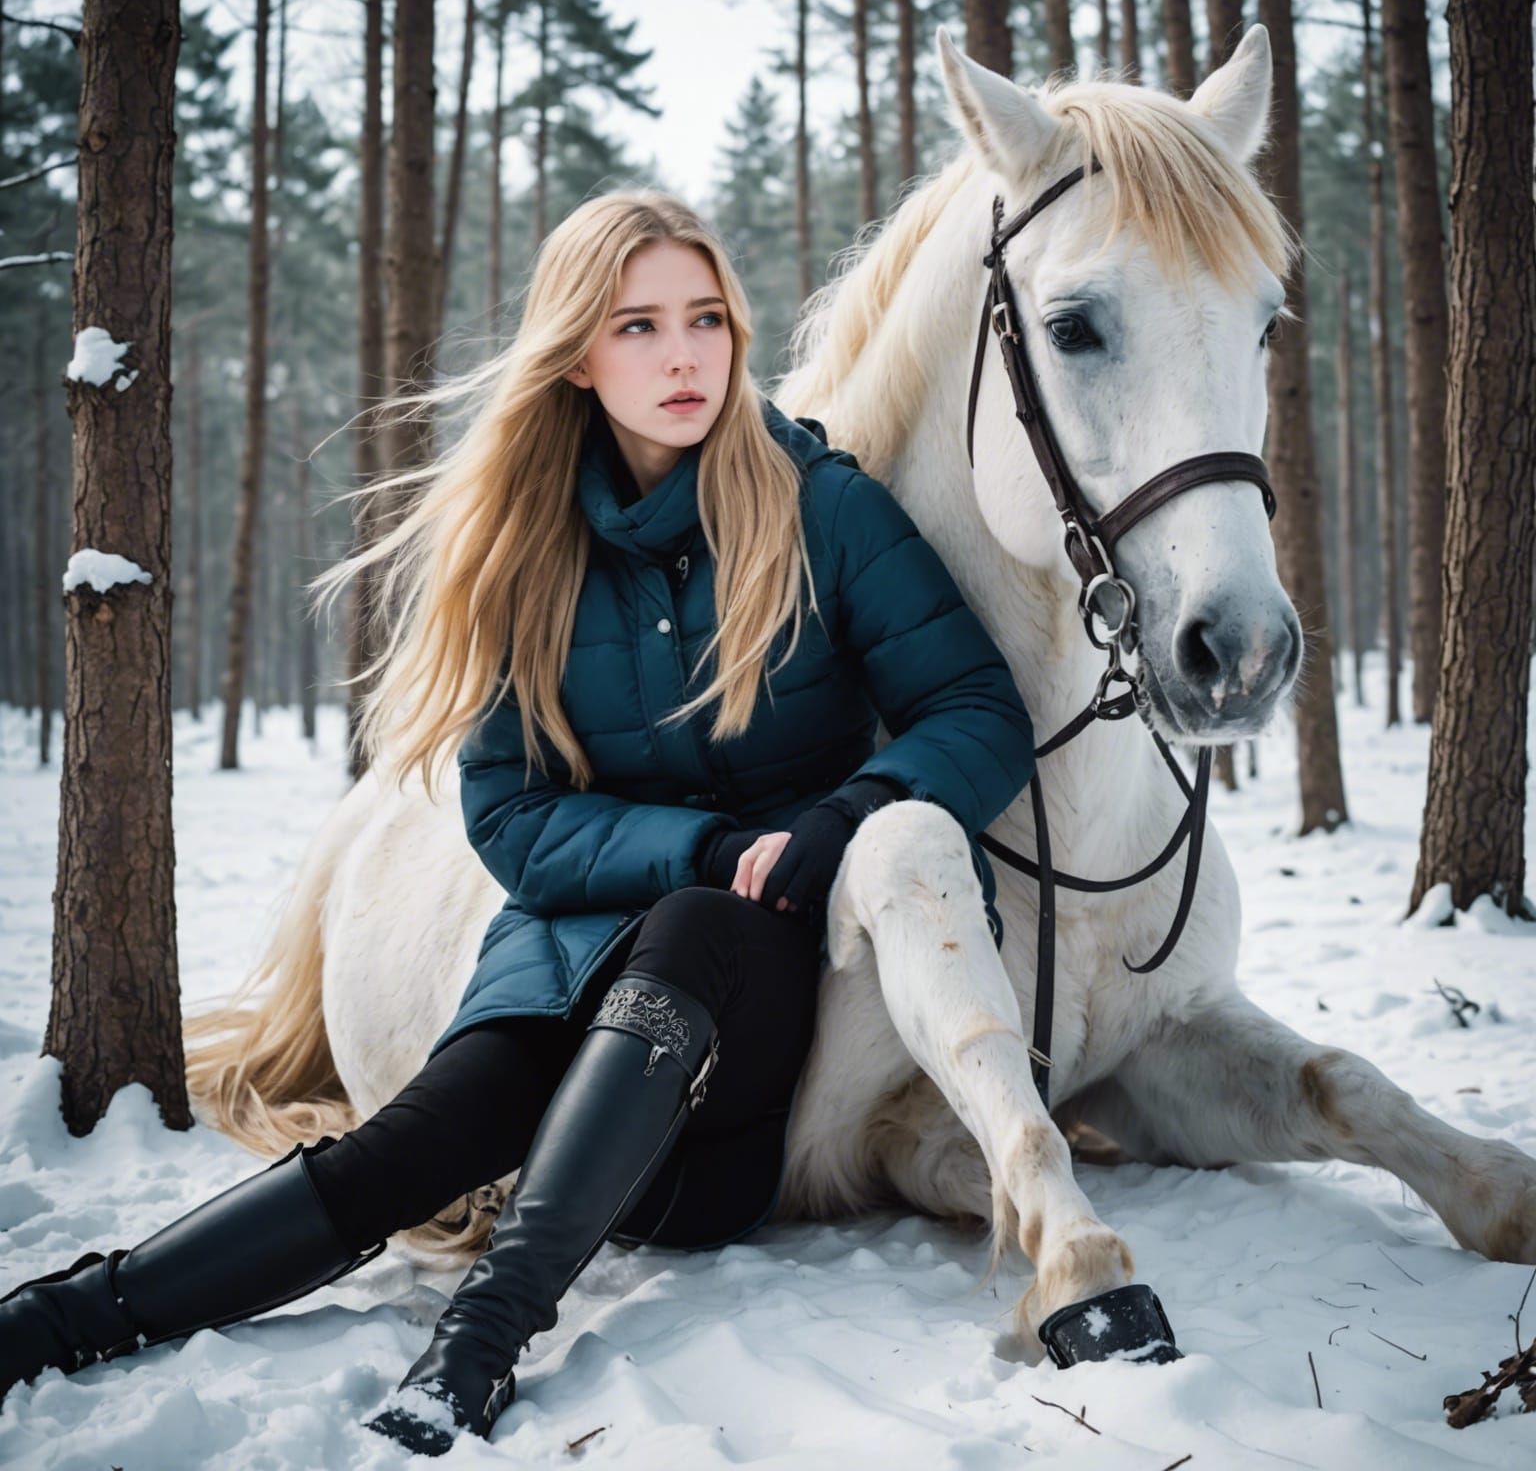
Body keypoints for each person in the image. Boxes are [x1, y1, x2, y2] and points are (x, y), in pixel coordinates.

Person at [0, 192, 1035, 1453]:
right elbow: (511, 814)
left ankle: (481, 1339)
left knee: (703, 924)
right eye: (640, 325)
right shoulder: (523, 551)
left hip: (739, 1049)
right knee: (410, 1147)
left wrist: (849, 813)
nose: (684, 355)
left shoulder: (823, 504)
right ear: (579, 356)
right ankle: (55, 1322)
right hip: (565, 962)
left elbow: (977, 705)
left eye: (706, 319)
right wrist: (690, 844)